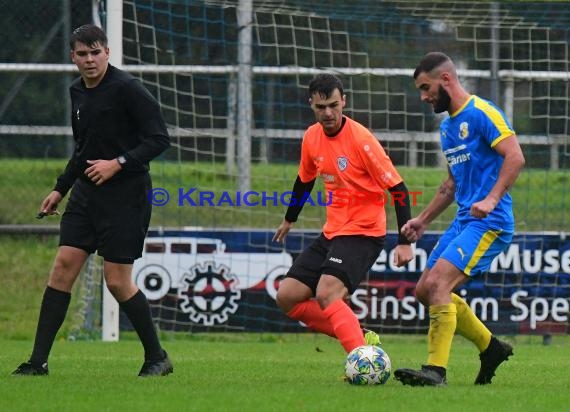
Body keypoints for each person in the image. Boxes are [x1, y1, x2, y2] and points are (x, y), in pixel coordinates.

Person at [12, 24, 172, 377]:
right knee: (62, 267)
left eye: (95, 52)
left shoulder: (129, 90)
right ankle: (37, 362)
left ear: (107, 53)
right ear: (73, 56)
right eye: (82, 54)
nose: (89, 60)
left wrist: (118, 163)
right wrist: (60, 189)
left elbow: (159, 139)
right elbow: (83, 150)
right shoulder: (77, 92)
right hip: (86, 196)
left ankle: (157, 357)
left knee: (116, 280)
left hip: (127, 196)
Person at [394, 52, 525, 386]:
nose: (424, 96)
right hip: (464, 221)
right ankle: (490, 347)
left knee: (439, 284)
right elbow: (452, 183)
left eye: (426, 88)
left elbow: (515, 157)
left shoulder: (482, 112)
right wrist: (422, 220)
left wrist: (492, 197)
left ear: (446, 79)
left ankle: (435, 372)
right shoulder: (449, 127)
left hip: (490, 222)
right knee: (425, 290)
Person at [273, 73, 414, 355]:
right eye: (321, 107)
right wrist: (290, 219)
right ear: (311, 104)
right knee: (287, 296)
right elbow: (304, 179)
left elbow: (398, 188)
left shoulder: (362, 140)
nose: (328, 113)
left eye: (334, 105)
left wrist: (404, 241)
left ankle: (361, 360)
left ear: (344, 102)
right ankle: (357, 335)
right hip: (333, 232)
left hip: (364, 232)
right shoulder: (311, 137)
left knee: (327, 293)